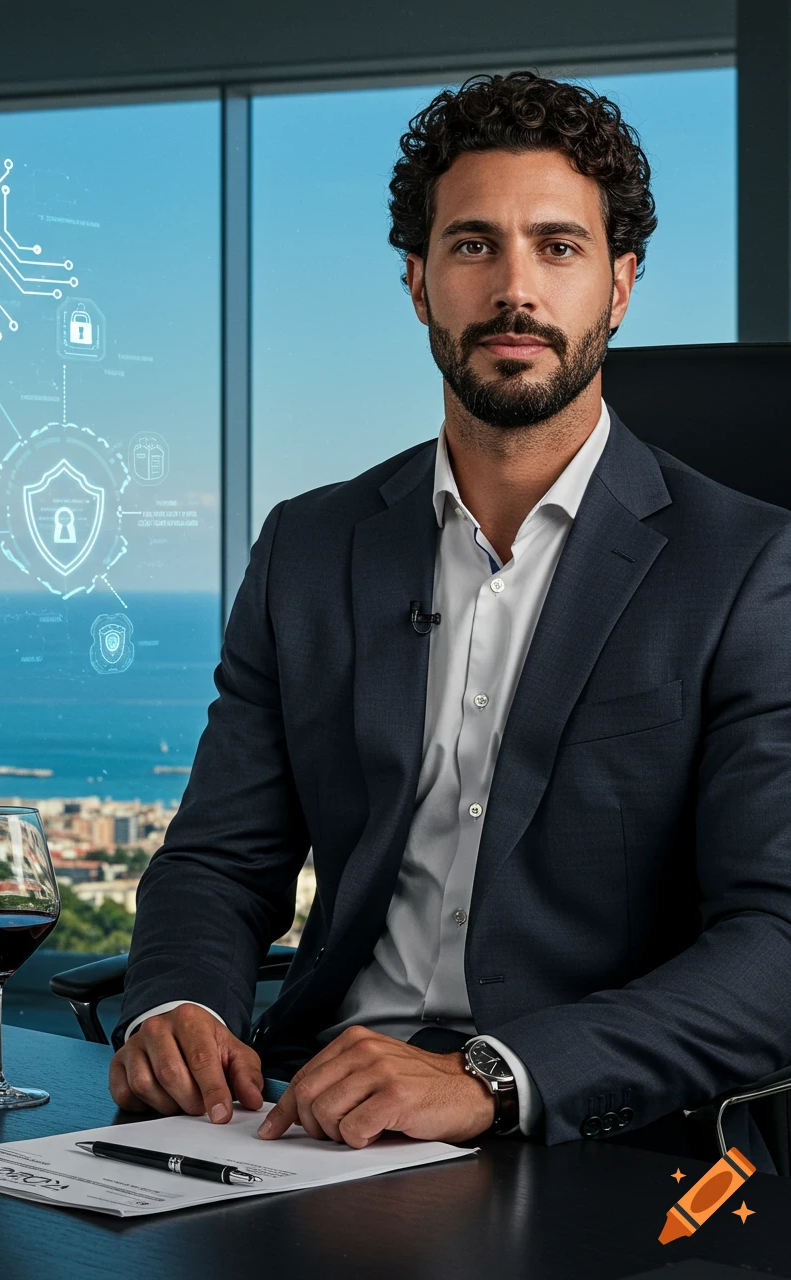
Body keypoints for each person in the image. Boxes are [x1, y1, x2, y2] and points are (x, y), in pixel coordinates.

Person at [108, 70, 791, 1169]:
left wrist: (489, 1075)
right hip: (308, 1116)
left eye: (557, 247)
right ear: (418, 282)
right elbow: (219, 861)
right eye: (474, 245)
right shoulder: (308, 547)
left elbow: (775, 941)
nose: (514, 289)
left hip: (585, 1137)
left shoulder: (748, 567)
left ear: (619, 285)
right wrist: (176, 1004)